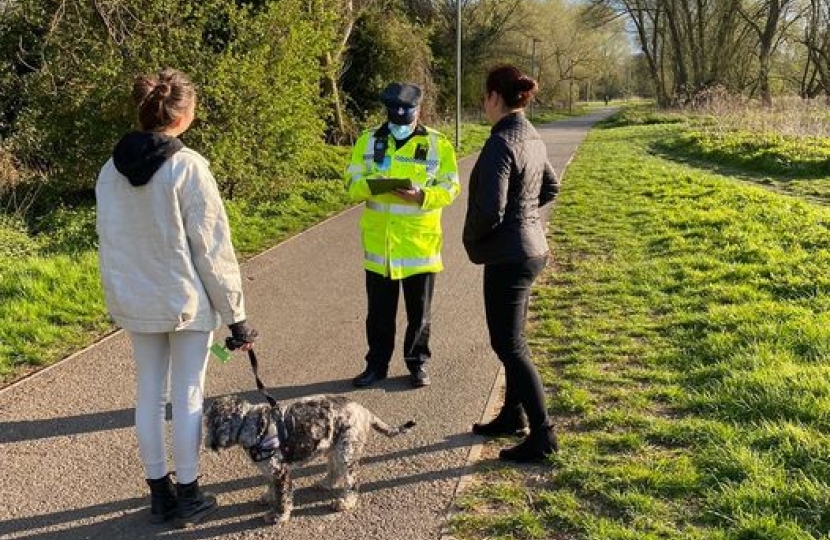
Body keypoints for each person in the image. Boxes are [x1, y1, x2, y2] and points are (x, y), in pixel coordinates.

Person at [95, 69, 258, 527]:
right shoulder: (188, 167)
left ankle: (158, 494)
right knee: (187, 394)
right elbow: (213, 248)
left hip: (136, 300)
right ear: (184, 114)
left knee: (148, 393)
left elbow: (109, 238)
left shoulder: (109, 170)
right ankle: (188, 492)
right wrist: (236, 317)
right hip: (185, 302)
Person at [463, 65, 561, 463]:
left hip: (509, 257)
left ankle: (543, 435)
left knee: (509, 344)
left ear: (493, 98)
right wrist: (525, 216)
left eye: (484, 98)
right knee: (513, 340)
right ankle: (511, 415)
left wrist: (473, 238)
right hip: (532, 250)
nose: (483, 105)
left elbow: (490, 209)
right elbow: (551, 185)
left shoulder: (500, 142)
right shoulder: (531, 136)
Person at [345, 82, 460, 389]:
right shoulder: (369, 141)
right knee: (379, 316)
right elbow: (351, 183)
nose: (400, 119)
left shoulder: (439, 144)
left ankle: (418, 365)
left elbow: (451, 187)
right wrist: (374, 184)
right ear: (387, 112)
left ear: (417, 111)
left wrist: (422, 195)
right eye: (394, 114)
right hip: (380, 246)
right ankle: (376, 366)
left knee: (419, 315)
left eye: (406, 114)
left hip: (419, 246)